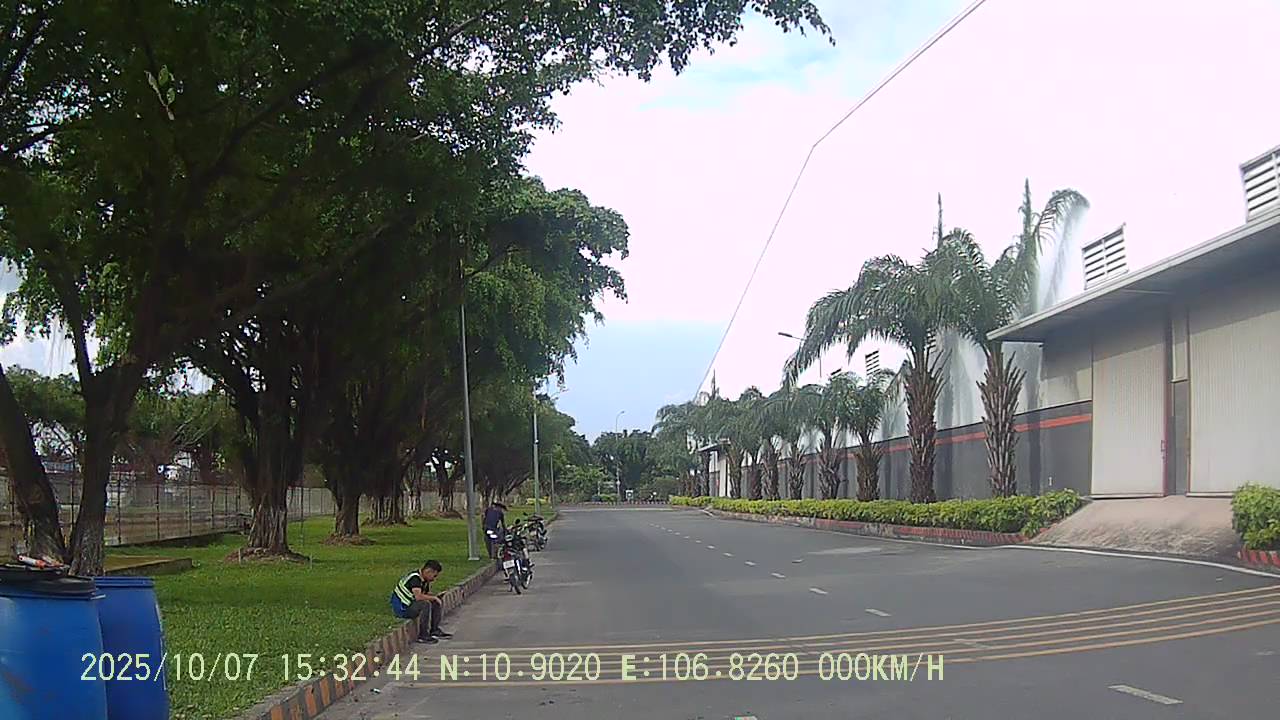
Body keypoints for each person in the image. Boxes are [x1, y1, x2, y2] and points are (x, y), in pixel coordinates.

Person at [390, 560, 453, 643]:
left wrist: (435, 597)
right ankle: (423, 635)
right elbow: (418, 597)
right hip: (403, 608)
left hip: (411, 603)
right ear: (428, 571)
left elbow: (425, 594)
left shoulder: (424, 581)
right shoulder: (415, 579)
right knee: (425, 604)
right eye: (434, 576)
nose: (434, 579)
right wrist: (433, 598)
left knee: (435, 602)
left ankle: (434, 630)